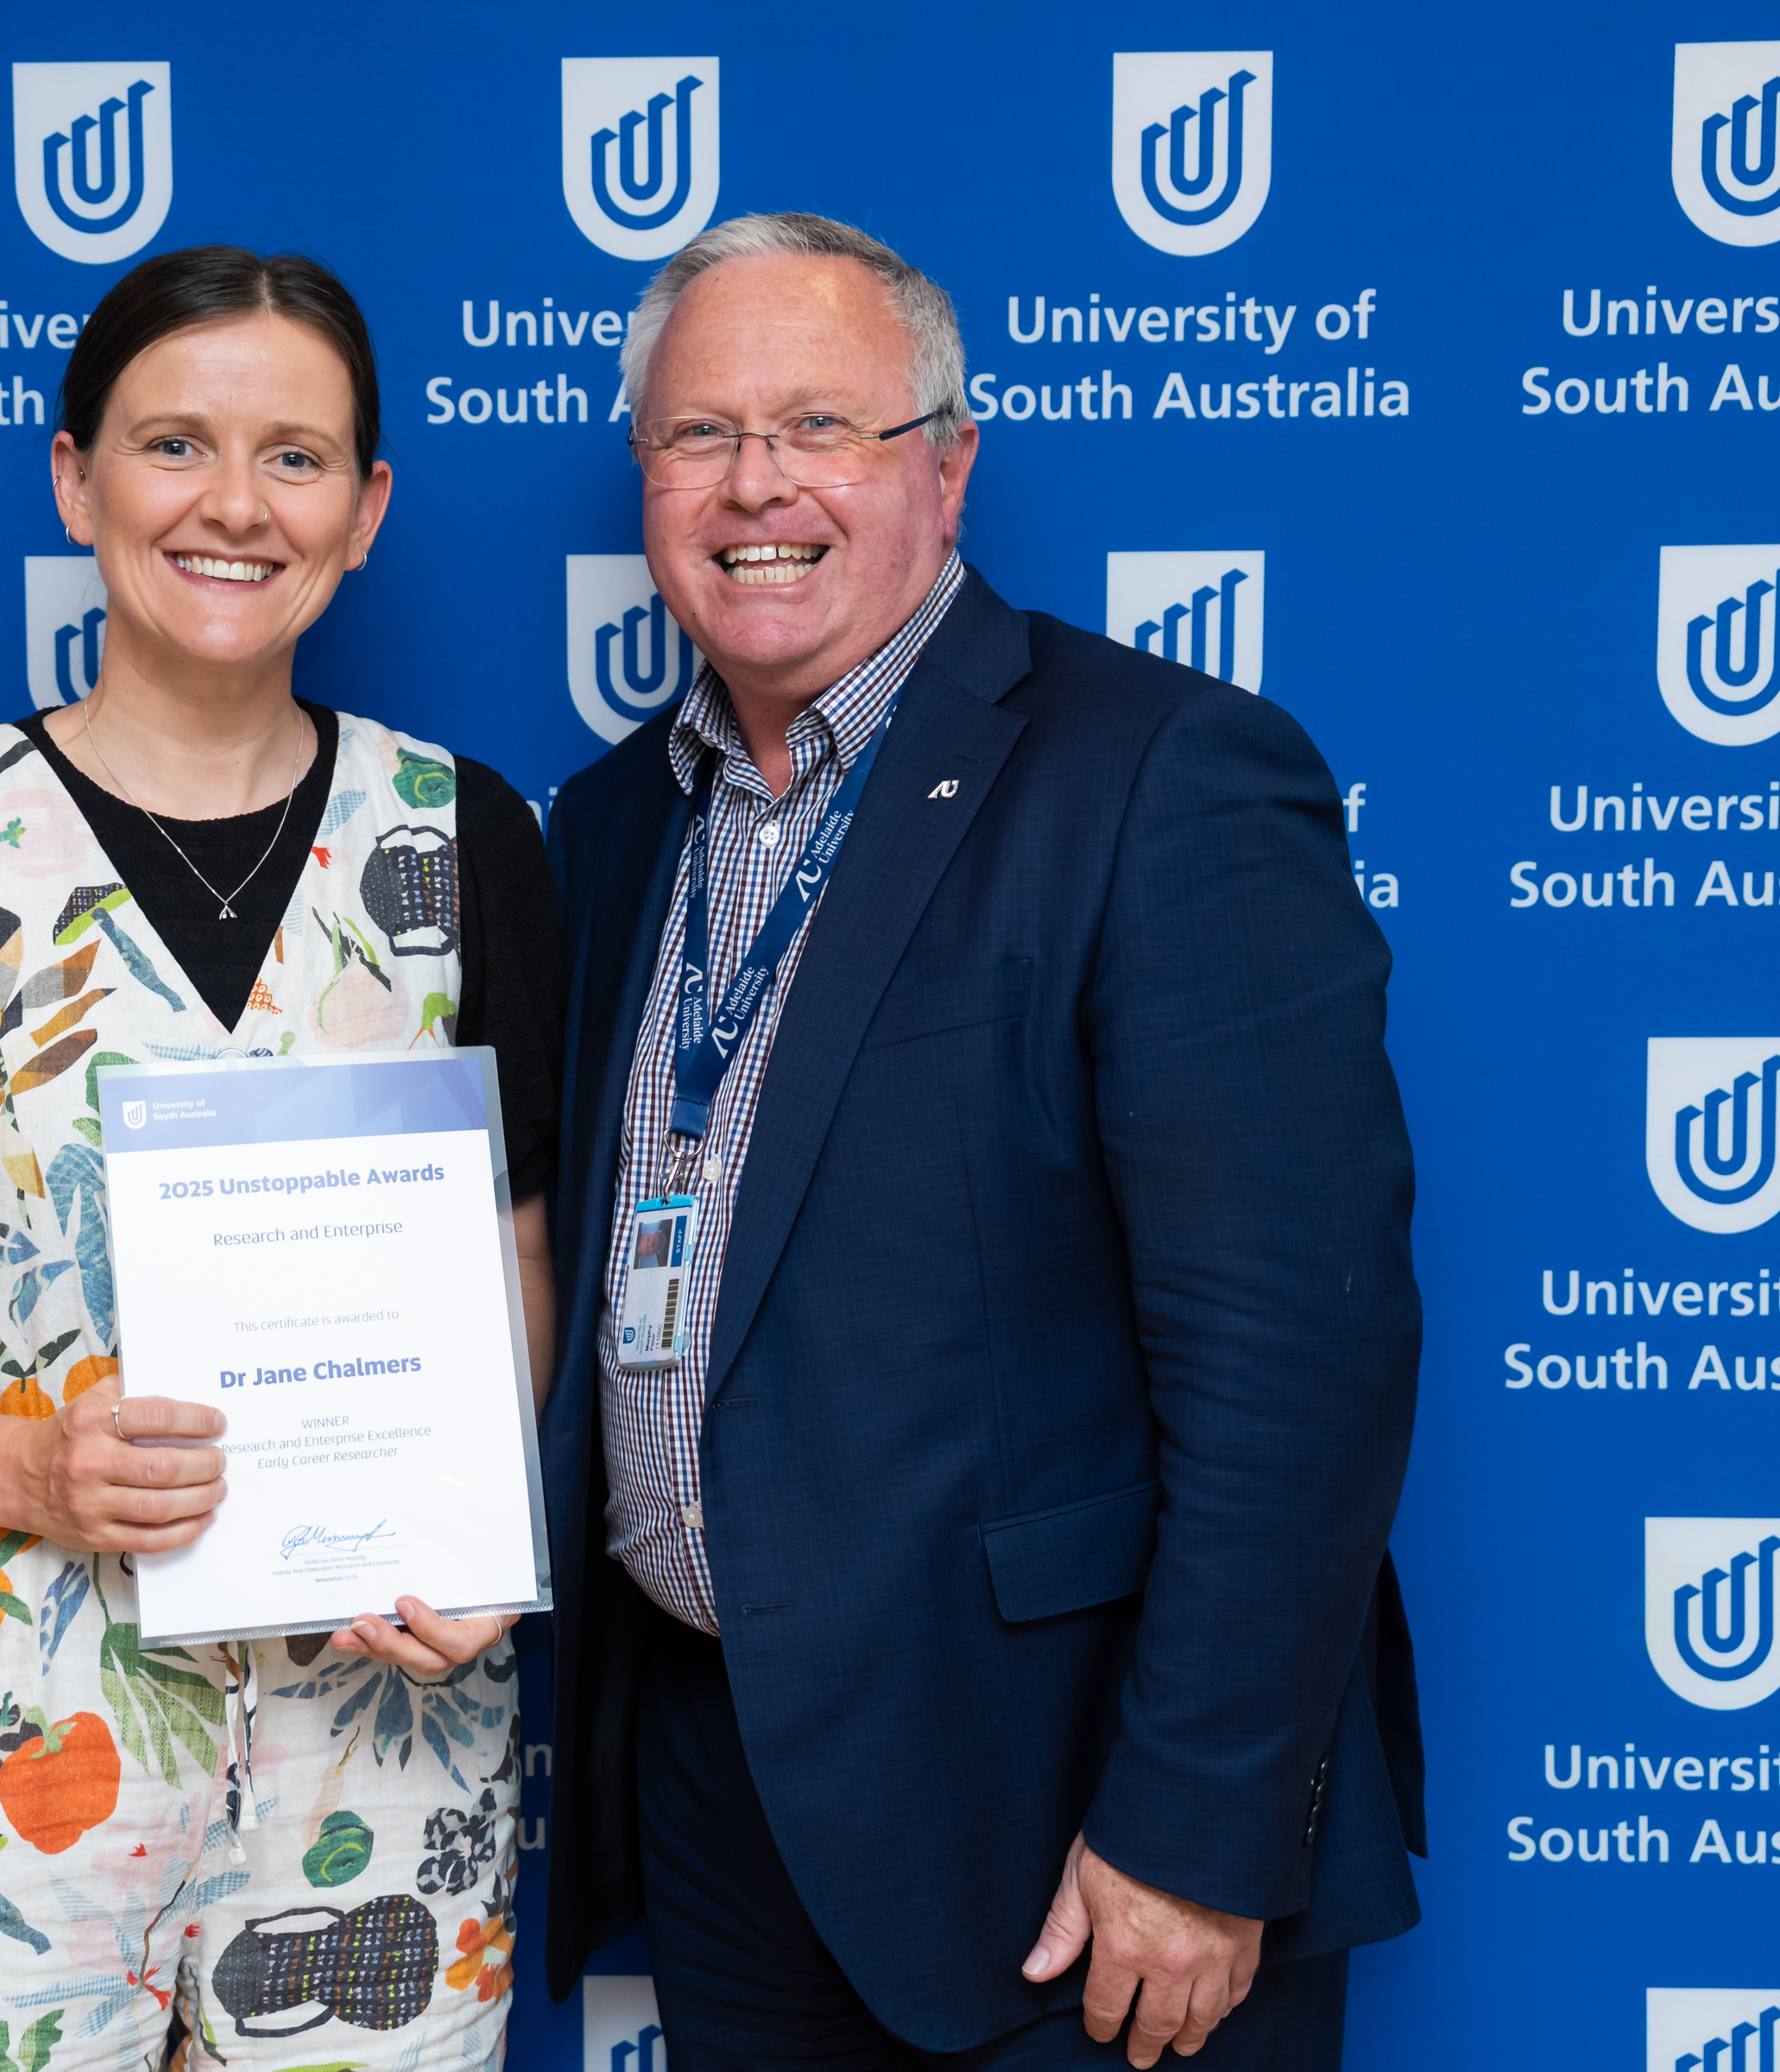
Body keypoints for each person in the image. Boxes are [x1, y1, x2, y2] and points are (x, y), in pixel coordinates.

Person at [537, 213, 1423, 2069]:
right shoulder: (617, 820)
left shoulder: (1163, 775)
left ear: (947, 462)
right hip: (727, 1789)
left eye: (822, 427)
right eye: (697, 435)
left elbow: (1298, 1358)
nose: (755, 484)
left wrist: (1194, 1827)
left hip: (1066, 1821)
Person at [0, 245, 557, 2071]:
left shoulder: (466, 841)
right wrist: (27, 1469)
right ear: (76, 479)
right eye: (176, 444)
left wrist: (479, 1522)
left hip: (377, 1746)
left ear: (368, 511)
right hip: (0, 1732)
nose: (237, 504)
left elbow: (518, 1251)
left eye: (296, 458)